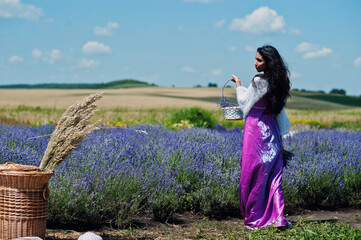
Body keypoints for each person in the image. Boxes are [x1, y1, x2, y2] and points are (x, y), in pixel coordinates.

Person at [232, 45, 292, 229]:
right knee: (273, 174)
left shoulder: (258, 81)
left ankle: (254, 217)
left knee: (253, 173)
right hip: (272, 129)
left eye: (259, 60)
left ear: (268, 62)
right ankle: (278, 218)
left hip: (255, 130)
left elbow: (244, 103)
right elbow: (279, 111)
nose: (255, 63)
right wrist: (281, 137)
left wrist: (239, 85)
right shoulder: (280, 82)